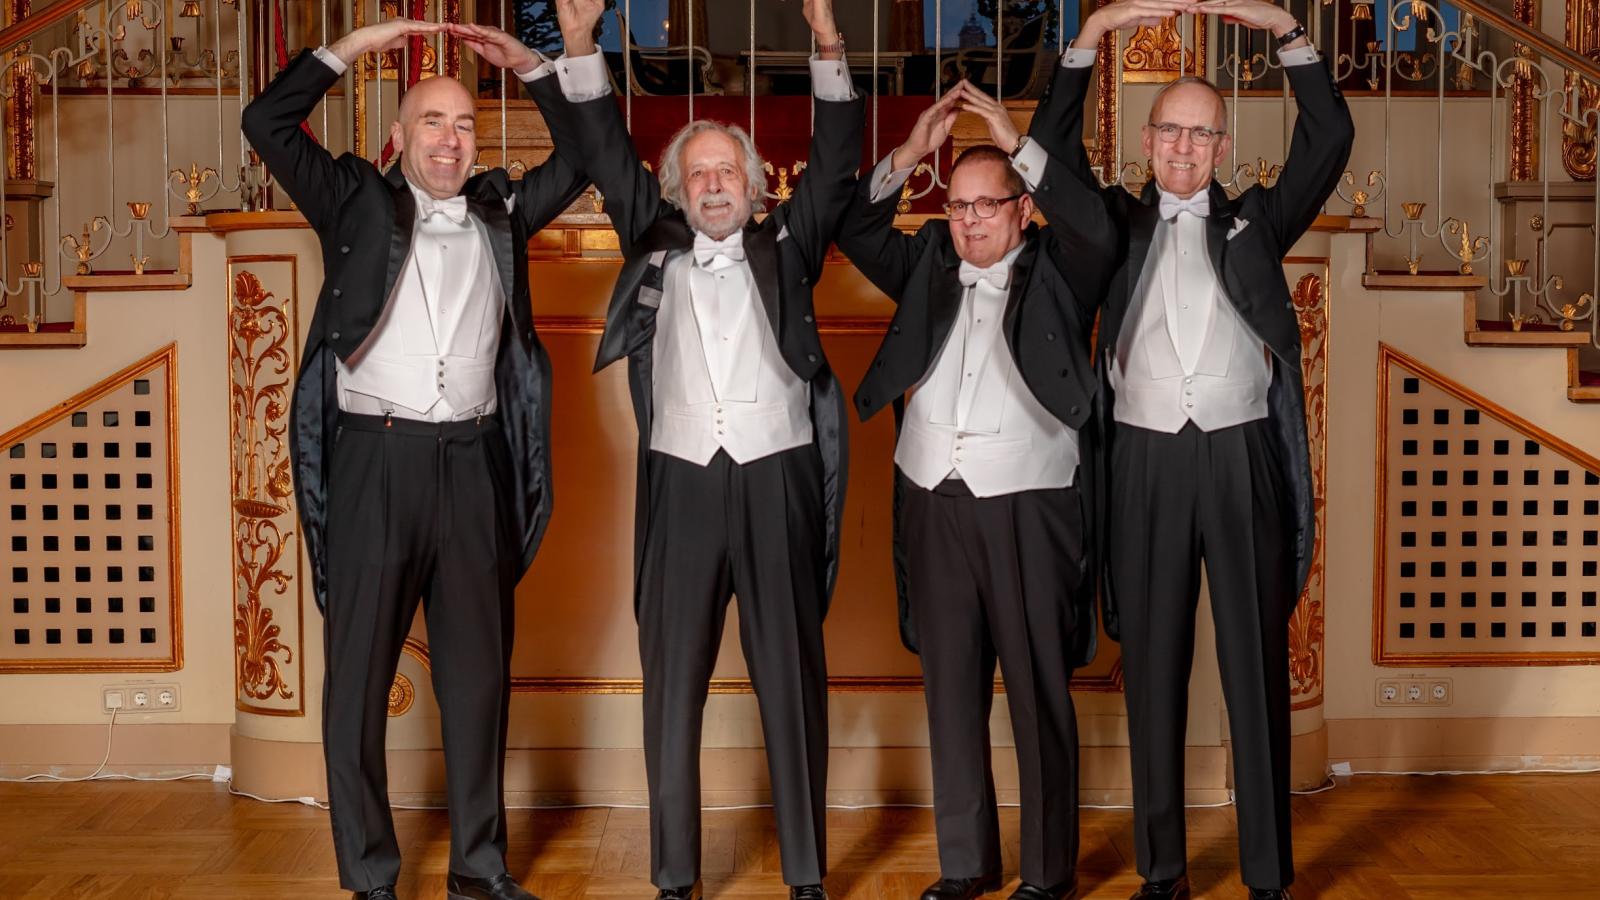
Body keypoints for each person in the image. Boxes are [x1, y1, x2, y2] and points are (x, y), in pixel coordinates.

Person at [241, 18, 591, 900]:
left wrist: (537, 68)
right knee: (357, 678)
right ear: (399, 138)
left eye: (466, 124)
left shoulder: (503, 210)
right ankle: (370, 874)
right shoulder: (352, 197)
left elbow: (590, 153)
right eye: (433, 121)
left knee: (478, 679)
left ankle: (479, 868)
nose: (451, 138)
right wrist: (355, 49)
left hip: (474, 464)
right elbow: (265, 124)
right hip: (374, 461)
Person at [1027, 1, 1355, 898]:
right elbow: (1050, 157)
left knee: (1253, 668)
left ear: (1221, 145)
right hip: (1142, 461)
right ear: (1146, 137)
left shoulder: (1259, 221)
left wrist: (1286, 27)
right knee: (1156, 673)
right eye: (1168, 131)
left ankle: (1266, 876)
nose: (1181, 148)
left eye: (1199, 134)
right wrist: (1091, 36)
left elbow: (1328, 136)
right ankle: (1163, 874)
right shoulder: (1110, 225)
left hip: (1241, 456)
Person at [534, 1, 861, 897]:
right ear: (677, 191)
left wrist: (828, 44)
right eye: (699, 174)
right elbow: (603, 151)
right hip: (679, 485)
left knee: (791, 683)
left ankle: (804, 875)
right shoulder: (656, 241)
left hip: (778, 478)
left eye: (729, 171)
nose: (715, 185)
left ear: (757, 186)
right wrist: (576, 47)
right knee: (670, 684)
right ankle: (674, 875)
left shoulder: (791, 246)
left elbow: (836, 165)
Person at [840, 79, 1107, 900]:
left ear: (1023, 209)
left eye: (987, 205)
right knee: (951, 690)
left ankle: (1048, 875)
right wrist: (911, 153)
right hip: (932, 497)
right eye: (957, 206)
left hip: (1028, 502)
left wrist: (1017, 138)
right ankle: (966, 866)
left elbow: (1097, 227)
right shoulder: (928, 259)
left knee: (1035, 695)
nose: (969, 221)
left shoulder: (1066, 269)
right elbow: (853, 227)